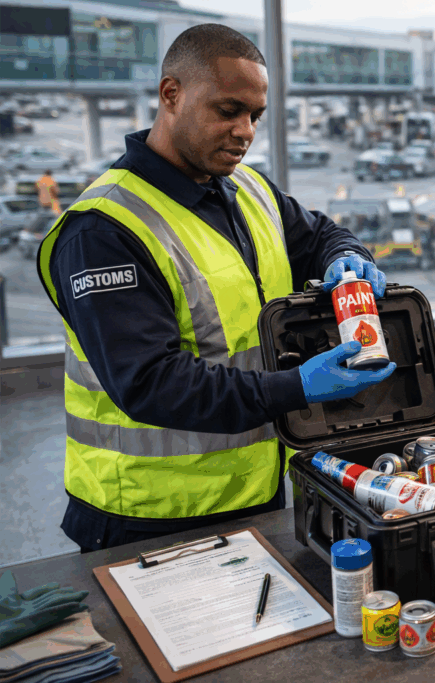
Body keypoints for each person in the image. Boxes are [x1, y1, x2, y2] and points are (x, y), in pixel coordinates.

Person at [36, 24, 395, 552]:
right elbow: (151, 384)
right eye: (228, 110)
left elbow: (320, 233)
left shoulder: (245, 188)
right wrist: (296, 387)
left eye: (256, 115)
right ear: (171, 95)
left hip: (253, 489)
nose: (245, 131)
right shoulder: (104, 230)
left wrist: (348, 256)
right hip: (148, 514)